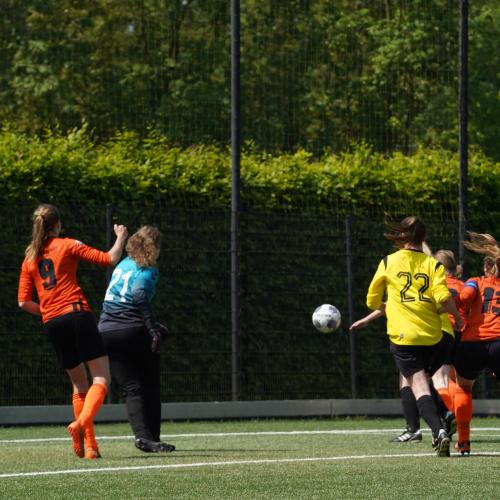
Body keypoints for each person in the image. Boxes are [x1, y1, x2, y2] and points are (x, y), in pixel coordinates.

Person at [17, 203, 128, 459]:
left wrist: (48, 310)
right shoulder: (68, 244)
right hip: (77, 314)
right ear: (57, 225)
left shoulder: (29, 258)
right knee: (101, 379)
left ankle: (91, 447)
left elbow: (23, 302)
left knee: (79, 384)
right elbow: (109, 259)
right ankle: (80, 424)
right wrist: (121, 237)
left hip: (53, 323)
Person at [363, 216, 462, 457]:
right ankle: (444, 419)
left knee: (418, 386)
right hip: (432, 335)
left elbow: (371, 300)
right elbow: (443, 298)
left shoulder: (388, 261)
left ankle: (438, 431)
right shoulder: (433, 264)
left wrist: (391, 306)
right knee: (428, 382)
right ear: (424, 238)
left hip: (403, 335)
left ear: (401, 236)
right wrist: (457, 318)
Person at [98, 225, 175, 454]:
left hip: (105, 331)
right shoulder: (148, 268)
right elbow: (139, 294)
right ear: (155, 248)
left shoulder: (123, 264)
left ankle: (144, 438)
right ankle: (154, 436)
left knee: (132, 388)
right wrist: (152, 329)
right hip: (131, 329)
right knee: (150, 383)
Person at [454, 232, 500, 455]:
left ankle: (463, 441)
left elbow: (464, 297)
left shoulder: (475, 281)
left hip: (472, 343)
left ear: (485, 267)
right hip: (499, 342)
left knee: (464, 388)